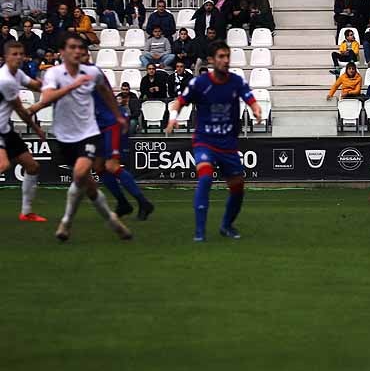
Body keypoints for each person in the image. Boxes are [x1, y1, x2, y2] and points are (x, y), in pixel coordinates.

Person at [27, 34, 132, 242]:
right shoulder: (54, 74)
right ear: (62, 52)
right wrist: (72, 86)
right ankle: (112, 221)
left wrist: (118, 115)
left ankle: (66, 222)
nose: (77, 51)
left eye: (80, 47)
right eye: (72, 47)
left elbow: (105, 90)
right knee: (89, 186)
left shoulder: (92, 72)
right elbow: (47, 99)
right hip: (64, 137)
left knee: (80, 173)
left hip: (89, 134)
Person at [164, 42, 263, 241]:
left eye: (227, 56)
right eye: (221, 56)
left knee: (238, 188)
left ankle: (226, 225)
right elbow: (179, 101)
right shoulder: (200, 83)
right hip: (205, 141)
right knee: (206, 177)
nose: (225, 60)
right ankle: (200, 233)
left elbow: (250, 98)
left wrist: (256, 108)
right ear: (211, 60)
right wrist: (173, 117)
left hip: (228, 144)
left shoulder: (236, 81)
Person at [92, 57, 154, 221]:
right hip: (99, 125)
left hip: (112, 122)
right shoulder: (70, 75)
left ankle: (143, 202)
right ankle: (123, 203)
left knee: (111, 165)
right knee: (98, 166)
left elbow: (105, 94)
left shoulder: (90, 73)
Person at [0, 40, 48, 222]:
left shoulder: (17, 73)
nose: (18, 57)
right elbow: (21, 110)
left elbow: (36, 86)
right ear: (6, 57)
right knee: (3, 165)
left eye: (21, 54)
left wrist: (57, 87)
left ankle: (26, 212)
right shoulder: (5, 80)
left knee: (32, 167)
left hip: (4, 129)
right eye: (14, 54)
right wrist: (37, 129)